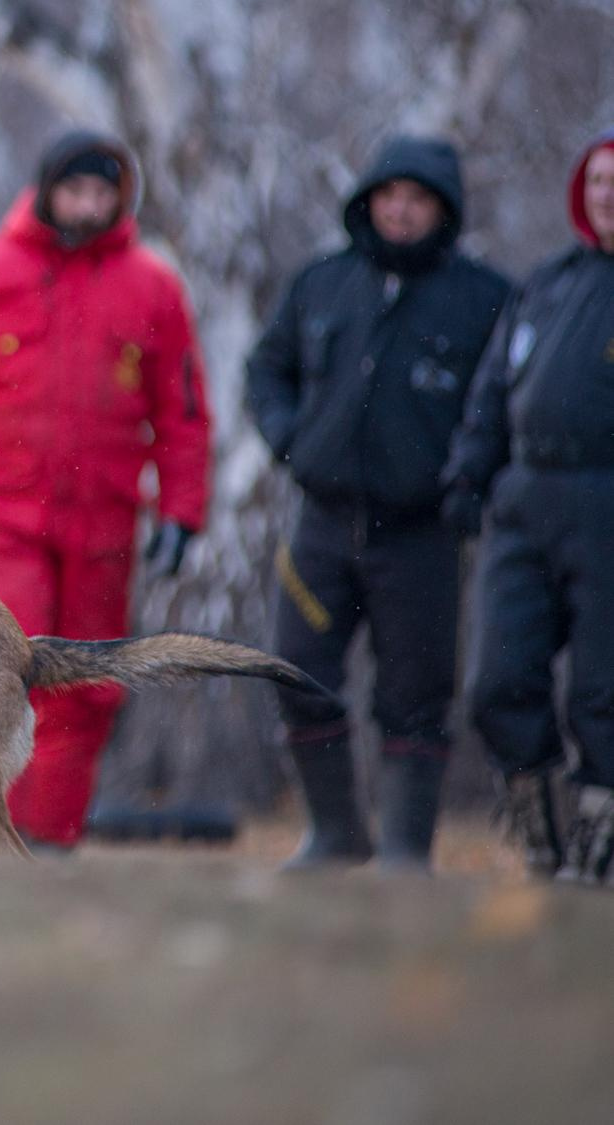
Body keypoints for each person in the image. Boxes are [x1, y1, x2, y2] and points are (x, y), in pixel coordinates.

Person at [0, 129, 211, 851]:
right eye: (76, 190)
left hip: (106, 525)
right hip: (3, 521)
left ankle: (52, 842)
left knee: (87, 685)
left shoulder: (153, 285)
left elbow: (183, 411)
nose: (88, 205)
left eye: (103, 193)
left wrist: (184, 510)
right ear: (46, 190)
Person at [244, 138, 509, 872]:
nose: (400, 209)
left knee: (416, 691)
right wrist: (288, 437)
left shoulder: (485, 297)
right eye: (389, 194)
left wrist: (470, 479)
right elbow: (266, 366)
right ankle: (335, 834)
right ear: (367, 200)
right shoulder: (322, 283)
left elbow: (504, 405)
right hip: (320, 525)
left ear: (443, 211)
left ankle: (403, 850)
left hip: (422, 533)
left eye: (418, 198)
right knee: (294, 667)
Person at [443, 127, 614, 884]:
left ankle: (600, 844)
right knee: (497, 681)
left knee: (603, 691)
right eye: (601, 181)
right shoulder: (544, 283)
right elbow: (491, 392)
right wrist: (468, 473)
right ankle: (542, 832)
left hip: (605, 500)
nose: (610, 194)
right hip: (523, 497)